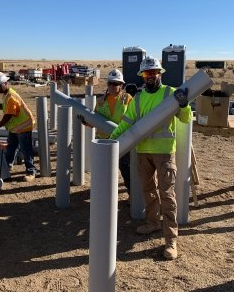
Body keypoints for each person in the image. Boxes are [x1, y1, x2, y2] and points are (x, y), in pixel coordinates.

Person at [109, 56, 192, 260]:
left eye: (153, 73)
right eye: (147, 73)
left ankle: (171, 240)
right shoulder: (138, 98)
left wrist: (183, 105)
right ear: (142, 76)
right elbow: (126, 123)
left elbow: (186, 118)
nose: (150, 76)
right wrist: (110, 141)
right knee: (148, 190)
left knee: (167, 194)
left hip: (164, 153)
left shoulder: (171, 94)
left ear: (160, 74)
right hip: (143, 152)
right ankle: (153, 222)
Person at [79, 69, 132, 195]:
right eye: (110, 83)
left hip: (123, 141)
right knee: (104, 170)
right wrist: (86, 122)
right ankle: (103, 194)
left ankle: (132, 196)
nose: (112, 86)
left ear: (122, 85)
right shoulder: (101, 101)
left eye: (116, 83)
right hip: (104, 142)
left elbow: (134, 119)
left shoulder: (128, 99)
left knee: (126, 170)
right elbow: (95, 121)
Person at [0, 72, 37, 182]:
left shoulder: (11, 96)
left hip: (24, 126)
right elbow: (5, 107)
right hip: (15, 127)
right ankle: (7, 166)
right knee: (11, 147)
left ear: (6, 83)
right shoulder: (6, 95)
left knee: (25, 149)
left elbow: (8, 115)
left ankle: (31, 171)